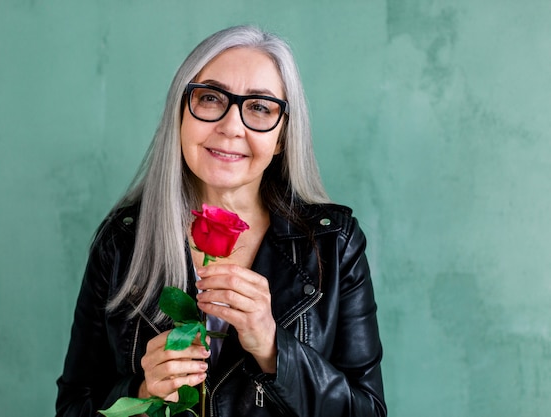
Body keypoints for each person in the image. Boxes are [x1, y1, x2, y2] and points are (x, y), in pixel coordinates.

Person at [56, 25, 386, 417]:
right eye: (211, 98)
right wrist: (143, 393)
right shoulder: (121, 241)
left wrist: (272, 347)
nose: (231, 127)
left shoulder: (335, 244)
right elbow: (73, 407)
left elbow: (369, 411)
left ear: (281, 137)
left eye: (260, 107)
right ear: (181, 114)